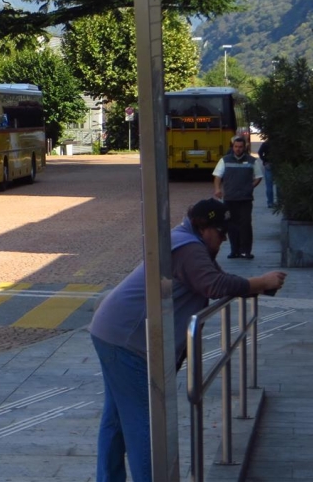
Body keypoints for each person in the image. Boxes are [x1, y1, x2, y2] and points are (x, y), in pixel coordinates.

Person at [89, 198, 286, 482]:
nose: (223, 240)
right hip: (128, 342)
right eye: (220, 233)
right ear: (203, 227)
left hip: (113, 332)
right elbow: (214, 284)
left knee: (117, 420)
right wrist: (260, 283)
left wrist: (252, 287)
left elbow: (214, 276)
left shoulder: (185, 241)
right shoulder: (189, 247)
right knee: (145, 424)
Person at [212, 135, 264, 259]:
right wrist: (218, 189)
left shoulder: (252, 161)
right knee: (231, 225)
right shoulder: (225, 160)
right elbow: (218, 176)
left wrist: (250, 187)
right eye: (236, 147)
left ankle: (245, 251)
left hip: (245, 199)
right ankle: (234, 250)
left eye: (240, 147)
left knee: (245, 224)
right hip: (230, 198)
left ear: (244, 147)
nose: (238, 149)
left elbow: (258, 177)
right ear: (233, 147)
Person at [257, 139, 275, 209]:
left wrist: (264, 160)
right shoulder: (279, 143)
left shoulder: (266, 143)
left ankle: (270, 202)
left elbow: (260, 152)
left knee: (269, 185)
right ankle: (280, 202)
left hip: (268, 164)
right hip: (278, 164)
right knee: (279, 185)